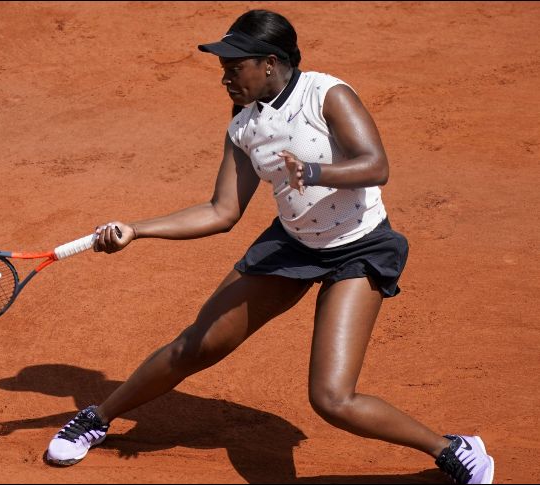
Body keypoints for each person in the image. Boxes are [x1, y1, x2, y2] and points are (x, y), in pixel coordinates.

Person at [44, 9, 494, 484]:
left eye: (234, 68)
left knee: (332, 399)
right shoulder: (243, 126)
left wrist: (314, 172)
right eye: (223, 69)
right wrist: (137, 229)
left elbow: (375, 165)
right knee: (195, 345)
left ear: (269, 63)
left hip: (359, 246)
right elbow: (221, 211)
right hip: (294, 244)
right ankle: (97, 417)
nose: (225, 79)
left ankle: (453, 450)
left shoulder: (327, 95)